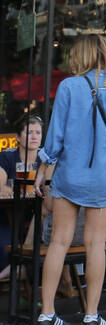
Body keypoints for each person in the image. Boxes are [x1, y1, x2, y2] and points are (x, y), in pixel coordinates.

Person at [32, 34, 106, 325]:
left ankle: (47, 314)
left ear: (81, 55)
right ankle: (92, 316)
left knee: (59, 242)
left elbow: (56, 135)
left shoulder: (68, 86)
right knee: (95, 245)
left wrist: (43, 167)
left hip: (70, 175)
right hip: (104, 178)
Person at [0, 115, 43, 283]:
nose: (34, 137)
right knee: (5, 247)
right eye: (29, 132)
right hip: (7, 216)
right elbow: (0, 186)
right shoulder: (8, 156)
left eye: (38, 133)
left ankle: (27, 286)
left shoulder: (45, 158)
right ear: (18, 137)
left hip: (36, 216)